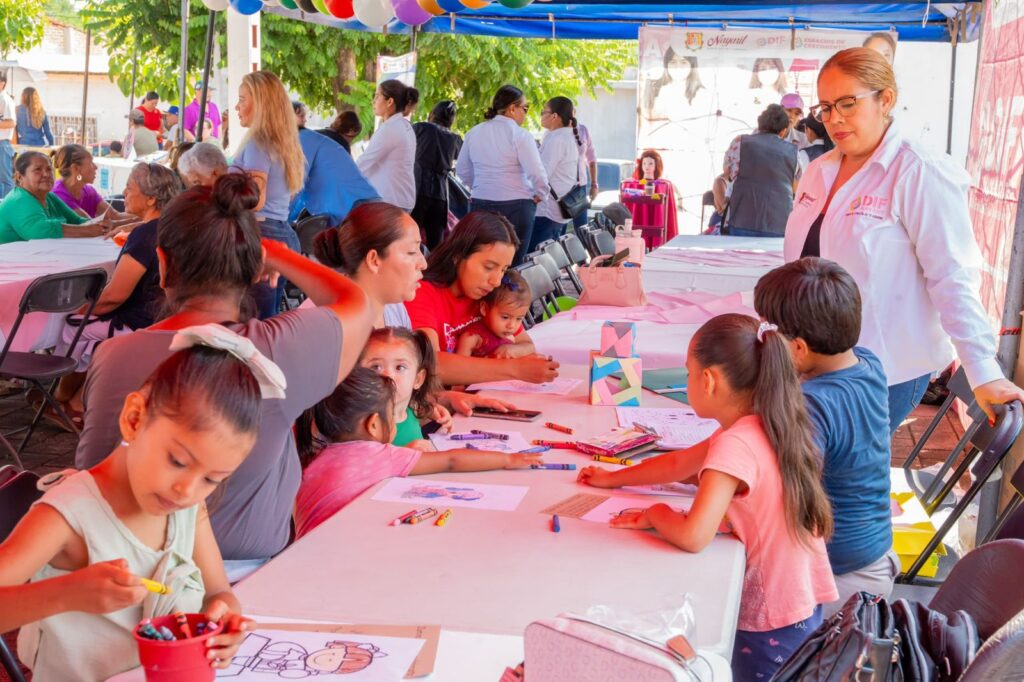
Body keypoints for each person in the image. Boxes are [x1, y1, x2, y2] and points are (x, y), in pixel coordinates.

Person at [75, 173, 375, 581]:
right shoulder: (277, 350)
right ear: (252, 269)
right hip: (247, 578)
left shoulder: (112, 354)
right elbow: (356, 301)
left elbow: (91, 471)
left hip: (126, 570)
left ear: (163, 264)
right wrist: (277, 254)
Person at [577, 313, 837, 680]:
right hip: (800, 599)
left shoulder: (735, 444)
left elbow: (694, 535)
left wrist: (656, 513)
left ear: (708, 380)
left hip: (772, 619)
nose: (687, 381)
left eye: (688, 373)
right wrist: (613, 479)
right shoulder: (765, 422)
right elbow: (678, 464)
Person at [785, 47, 1024, 431]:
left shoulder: (919, 171)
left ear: (886, 99)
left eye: (847, 103)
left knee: (830, 466)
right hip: (813, 362)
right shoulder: (818, 171)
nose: (834, 119)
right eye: (825, 107)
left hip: (883, 369)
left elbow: (952, 276)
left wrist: (983, 370)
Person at [0, 339, 261, 680]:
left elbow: (218, 593)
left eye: (212, 479)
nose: (187, 490)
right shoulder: (68, 515)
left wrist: (224, 621)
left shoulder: (187, 508)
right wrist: (65, 594)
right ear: (135, 419)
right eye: (177, 461)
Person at [754, 257, 896, 616]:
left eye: (767, 332)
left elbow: (785, 494)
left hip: (838, 578)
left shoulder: (813, 403)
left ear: (799, 348)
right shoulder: (867, 362)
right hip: (874, 555)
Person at [313, 202, 517, 420]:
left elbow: (402, 394)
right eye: (411, 252)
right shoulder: (330, 323)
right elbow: (345, 421)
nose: (423, 263)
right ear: (374, 260)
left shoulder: (394, 308)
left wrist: (443, 399)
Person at [293, 367, 542, 539]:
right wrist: (508, 459)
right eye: (393, 414)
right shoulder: (379, 455)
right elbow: (451, 461)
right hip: (336, 554)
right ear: (373, 425)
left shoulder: (313, 456)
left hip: (301, 554)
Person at [49, 162, 182, 427]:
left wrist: (79, 310)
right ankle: (75, 401)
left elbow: (114, 297)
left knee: (72, 326)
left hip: (141, 322)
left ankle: (62, 400)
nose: (124, 192)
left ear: (151, 199)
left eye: (129, 188)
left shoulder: (145, 235)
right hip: (165, 317)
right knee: (89, 335)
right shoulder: (174, 227)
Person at [404, 211, 559, 386]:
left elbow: (527, 344)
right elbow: (433, 365)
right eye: (489, 267)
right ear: (458, 256)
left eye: (503, 269)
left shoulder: (490, 294)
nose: (496, 281)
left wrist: (512, 350)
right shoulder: (421, 293)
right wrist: (515, 369)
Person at [233, 70, 307, 319]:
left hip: (261, 236)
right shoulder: (282, 142)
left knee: (255, 321)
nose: (237, 106)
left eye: (242, 99)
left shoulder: (258, 143)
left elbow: (255, 199)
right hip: (280, 231)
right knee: (268, 319)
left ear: (261, 103)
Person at [456, 85, 548, 265]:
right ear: (512, 108)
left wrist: (481, 185)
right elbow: (536, 172)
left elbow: (462, 170)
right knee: (512, 264)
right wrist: (541, 193)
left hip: (481, 202)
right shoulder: (520, 135)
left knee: (480, 261)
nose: (526, 114)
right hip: (516, 205)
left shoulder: (474, 132)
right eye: (525, 108)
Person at [359, 327, 449, 447]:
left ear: (418, 379)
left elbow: (421, 409)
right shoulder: (362, 428)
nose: (388, 376)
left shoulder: (412, 408)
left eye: (399, 367)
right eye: (376, 367)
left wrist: (437, 413)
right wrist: (405, 454)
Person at [0, 152, 108, 244]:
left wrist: (102, 225)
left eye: (49, 169)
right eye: (38, 170)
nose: (46, 174)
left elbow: (77, 221)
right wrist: (88, 230)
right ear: (20, 177)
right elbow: (38, 230)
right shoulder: (19, 199)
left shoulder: (49, 197)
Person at [725, 104, 799, 237]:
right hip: (779, 224)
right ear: (783, 131)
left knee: (740, 251)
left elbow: (728, 173)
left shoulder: (739, 142)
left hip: (742, 220)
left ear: (759, 125)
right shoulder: (793, 152)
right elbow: (796, 187)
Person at [292, 119, 380, 226]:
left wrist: (278, 218)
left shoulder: (302, 139)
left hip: (357, 208)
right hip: (357, 207)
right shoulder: (309, 138)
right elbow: (296, 198)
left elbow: (293, 189)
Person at [529, 96, 581, 253]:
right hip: (557, 209)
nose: (541, 115)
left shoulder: (557, 139)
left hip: (548, 210)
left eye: (543, 112)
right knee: (548, 256)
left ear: (554, 116)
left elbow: (543, 174)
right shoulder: (565, 136)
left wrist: (535, 195)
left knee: (536, 258)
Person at [356, 80, 417, 212]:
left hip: (391, 202)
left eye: (377, 96)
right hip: (401, 200)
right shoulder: (404, 126)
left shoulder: (390, 128)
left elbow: (363, 164)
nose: (373, 101)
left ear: (389, 102)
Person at [411, 100, 462, 249]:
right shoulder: (455, 139)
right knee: (436, 245)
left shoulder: (420, 128)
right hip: (440, 196)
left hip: (417, 191)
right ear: (451, 120)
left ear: (432, 114)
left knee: (409, 239)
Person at [455, 269, 535, 359]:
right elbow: (459, 365)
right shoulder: (472, 337)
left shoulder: (511, 325)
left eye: (519, 318)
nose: (512, 326)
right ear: (484, 309)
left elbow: (530, 346)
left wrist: (514, 350)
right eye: (505, 317)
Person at [52, 144, 134, 221]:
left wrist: (141, 215)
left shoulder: (88, 191)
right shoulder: (58, 196)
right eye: (91, 163)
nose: (96, 167)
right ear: (75, 168)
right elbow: (90, 226)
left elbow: (115, 216)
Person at [621, 149, 679, 249]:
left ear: (657, 165)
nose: (647, 167)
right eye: (644, 163)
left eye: (651, 163)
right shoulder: (634, 183)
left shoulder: (663, 184)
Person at [0, 72, 16, 198]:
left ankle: (7, 205)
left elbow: (11, 122)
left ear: (2, 83)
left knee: (5, 180)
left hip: (2, 144)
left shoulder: (5, 100)